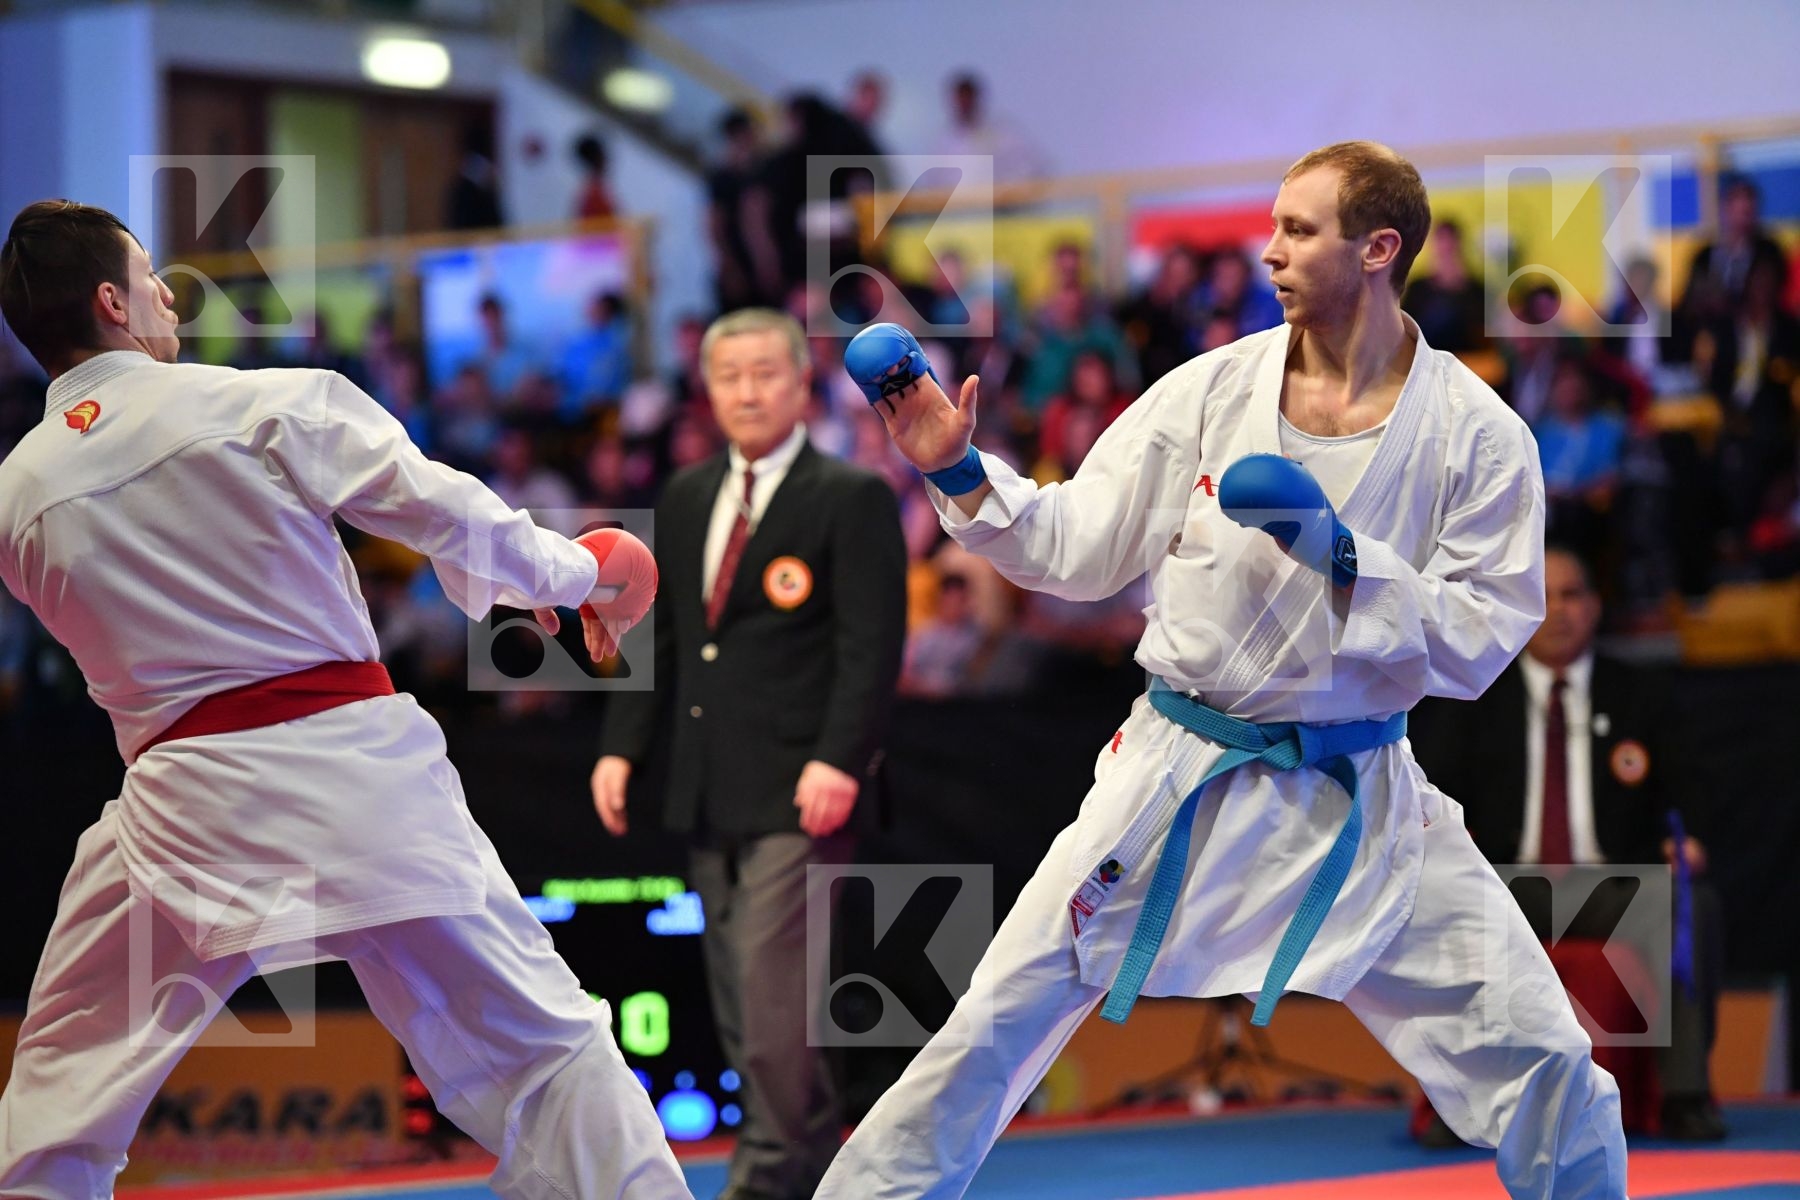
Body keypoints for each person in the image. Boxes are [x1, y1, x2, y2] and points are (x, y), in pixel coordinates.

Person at [832, 141, 1627, 1199]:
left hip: (1360, 797)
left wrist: (1345, 559)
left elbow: (1485, 638)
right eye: (1273, 226)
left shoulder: (1478, 435)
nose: (1269, 252)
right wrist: (956, 467)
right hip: (1176, 774)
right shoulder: (1212, 389)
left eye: (1300, 230)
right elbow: (1079, 544)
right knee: (984, 1029)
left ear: (1379, 248)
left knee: (1545, 1059)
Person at [0, 200, 683, 1200]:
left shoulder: (18, 493)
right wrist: (571, 574)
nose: (164, 293)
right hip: (361, 785)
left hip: (184, 815)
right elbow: (442, 508)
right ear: (110, 301)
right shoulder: (261, 404)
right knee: (547, 1049)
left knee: (57, 1104)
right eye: (148, 274)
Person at [590, 308, 907, 1200]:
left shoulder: (849, 496)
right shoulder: (688, 496)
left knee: (776, 1018)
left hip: (803, 788)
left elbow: (872, 644)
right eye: (729, 375)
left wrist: (842, 759)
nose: (747, 390)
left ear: (800, 382)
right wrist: (622, 750)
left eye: (765, 372)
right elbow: (664, 637)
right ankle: (808, 1180)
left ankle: (765, 1185)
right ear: (708, 387)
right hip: (708, 784)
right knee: (747, 1014)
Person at [1411, 543, 1728, 1142]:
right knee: (1437, 897)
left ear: (1596, 606)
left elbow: (1694, 792)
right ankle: (1459, 1105)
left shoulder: (1640, 694)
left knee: (1690, 899)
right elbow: (1429, 789)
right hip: (1505, 884)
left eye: (1573, 594)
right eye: (1544, 596)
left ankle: (1685, 1095)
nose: (1558, 611)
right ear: (1520, 607)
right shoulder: (1474, 695)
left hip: (1612, 887)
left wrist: (1688, 842)